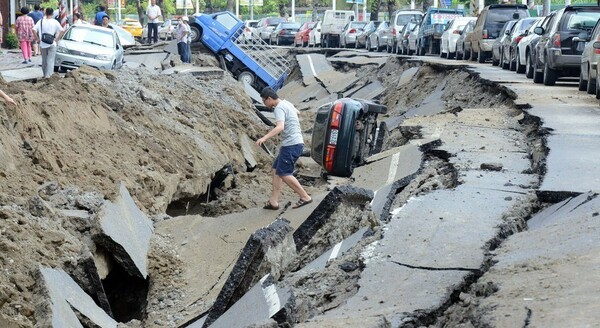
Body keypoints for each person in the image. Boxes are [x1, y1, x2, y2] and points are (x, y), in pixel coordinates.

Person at [255, 87, 312, 210]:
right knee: (276, 170)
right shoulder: (287, 103)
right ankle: (274, 201)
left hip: (292, 145)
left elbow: (280, 127)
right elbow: (298, 112)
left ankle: (305, 197)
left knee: (284, 173)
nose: (265, 105)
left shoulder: (279, 108)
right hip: (292, 144)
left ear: (269, 98)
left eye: (264, 102)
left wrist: (264, 138)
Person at [32, 8, 64, 78]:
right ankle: (48, 76)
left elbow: (33, 29)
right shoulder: (55, 22)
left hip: (43, 43)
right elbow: (62, 30)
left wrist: (37, 38)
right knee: (51, 60)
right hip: (52, 43)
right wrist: (57, 39)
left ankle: (45, 74)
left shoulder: (41, 21)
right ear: (52, 14)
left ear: (45, 13)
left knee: (44, 61)